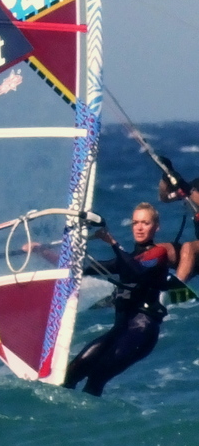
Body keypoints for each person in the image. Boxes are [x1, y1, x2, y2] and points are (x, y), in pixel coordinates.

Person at [64, 203, 178, 396]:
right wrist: (42, 251)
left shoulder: (159, 253)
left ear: (156, 227)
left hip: (142, 332)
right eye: (135, 223)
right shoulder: (127, 259)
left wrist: (113, 243)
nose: (139, 228)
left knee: (96, 378)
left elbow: (138, 271)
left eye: (145, 223)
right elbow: (81, 269)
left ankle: (90, 412)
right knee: (73, 371)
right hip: (119, 331)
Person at [156, 165, 199, 280]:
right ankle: (130, 282)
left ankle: (176, 287)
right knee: (159, 250)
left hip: (195, 249)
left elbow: (192, 193)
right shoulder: (196, 185)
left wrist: (188, 190)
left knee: (189, 248)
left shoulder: (191, 189)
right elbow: (165, 198)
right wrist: (166, 178)